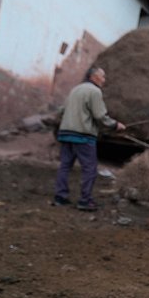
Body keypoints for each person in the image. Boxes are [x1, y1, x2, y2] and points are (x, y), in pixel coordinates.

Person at [53, 66, 126, 211]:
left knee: (65, 166)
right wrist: (115, 125)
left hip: (66, 133)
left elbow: (61, 110)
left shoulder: (75, 89)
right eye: (102, 76)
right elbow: (100, 116)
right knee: (89, 169)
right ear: (93, 77)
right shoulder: (95, 91)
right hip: (83, 136)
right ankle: (85, 200)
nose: (104, 80)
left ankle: (60, 197)